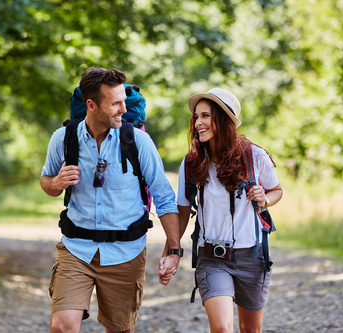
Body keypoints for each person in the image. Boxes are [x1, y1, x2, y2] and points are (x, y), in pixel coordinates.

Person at [40, 67, 182, 333]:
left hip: (125, 253)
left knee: (120, 330)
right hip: (76, 250)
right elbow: (46, 182)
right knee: (61, 326)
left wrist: (173, 250)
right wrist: (56, 183)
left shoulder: (138, 141)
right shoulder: (63, 139)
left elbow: (164, 198)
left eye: (124, 101)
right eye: (115, 103)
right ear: (91, 105)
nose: (122, 109)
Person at [159, 88, 283, 333]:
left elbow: (277, 190)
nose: (198, 123)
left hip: (252, 256)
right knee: (222, 328)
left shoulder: (255, 156)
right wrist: (171, 252)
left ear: (223, 120)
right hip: (212, 258)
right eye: (196, 117)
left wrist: (265, 198)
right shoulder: (192, 161)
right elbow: (182, 210)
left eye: (206, 116)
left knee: (250, 330)